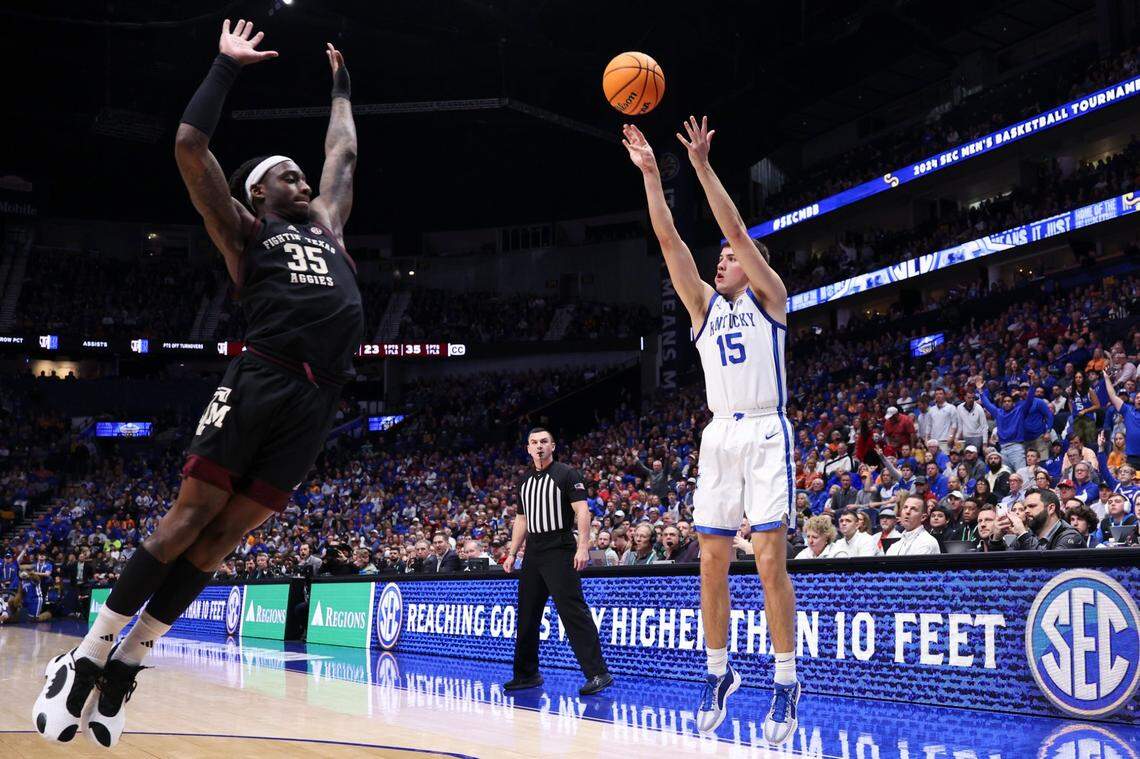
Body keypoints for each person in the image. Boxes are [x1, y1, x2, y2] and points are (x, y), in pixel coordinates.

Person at [35, 24, 363, 748]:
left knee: (222, 542)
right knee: (189, 520)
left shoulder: (330, 226)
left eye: (302, 178)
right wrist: (224, 67)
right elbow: (189, 147)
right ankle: (87, 655)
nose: (303, 182)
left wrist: (340, 88)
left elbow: (342, 152)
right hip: (263, 376)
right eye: (288, 176)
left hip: (318, 400)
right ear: (258, 192)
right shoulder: (248, 232)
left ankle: (129, 663)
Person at [623, 116, 799, 741]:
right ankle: (719, 672)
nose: (722, 259)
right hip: (719, 435)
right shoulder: (702, 309)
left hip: (767, 434)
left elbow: (734, 228)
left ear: (751, 267)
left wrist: (699, 165)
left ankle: (785, 680)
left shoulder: (771, 297)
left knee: (771, 559)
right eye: (721, 257)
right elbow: (671, 242)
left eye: (730, 257)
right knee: (712, 561)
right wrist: (652, 176)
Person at [503, 428, 612, 697]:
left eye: (543, 442)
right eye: (533, 442)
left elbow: (582, 511)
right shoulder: (524, 480)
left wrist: (583, 546)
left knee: (572, 611)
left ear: (552, 446)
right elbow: (522, 519)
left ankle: (598, 673)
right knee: (527, 615)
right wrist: (513, 552)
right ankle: (526, 674)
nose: (538, 446)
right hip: (534, 551)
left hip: (560, 547)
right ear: (527, 448)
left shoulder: (567, 474)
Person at [998, 489, 1086, 550]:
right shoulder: (1028, 535)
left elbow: (1048, 567)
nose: (1026, 511)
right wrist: (996, 539)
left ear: (1051, 508)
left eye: (1032, 506)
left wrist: (1022, 534)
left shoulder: (1070, 536)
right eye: (1025, 508)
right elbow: (1005, 567)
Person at [1103, 370, 1140, 468]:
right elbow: (1113, 395)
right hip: (1132, 457)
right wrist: (1106, 378)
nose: (1139, 399)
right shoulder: (1128, 410)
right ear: (1134, 400)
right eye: (1137, 398)